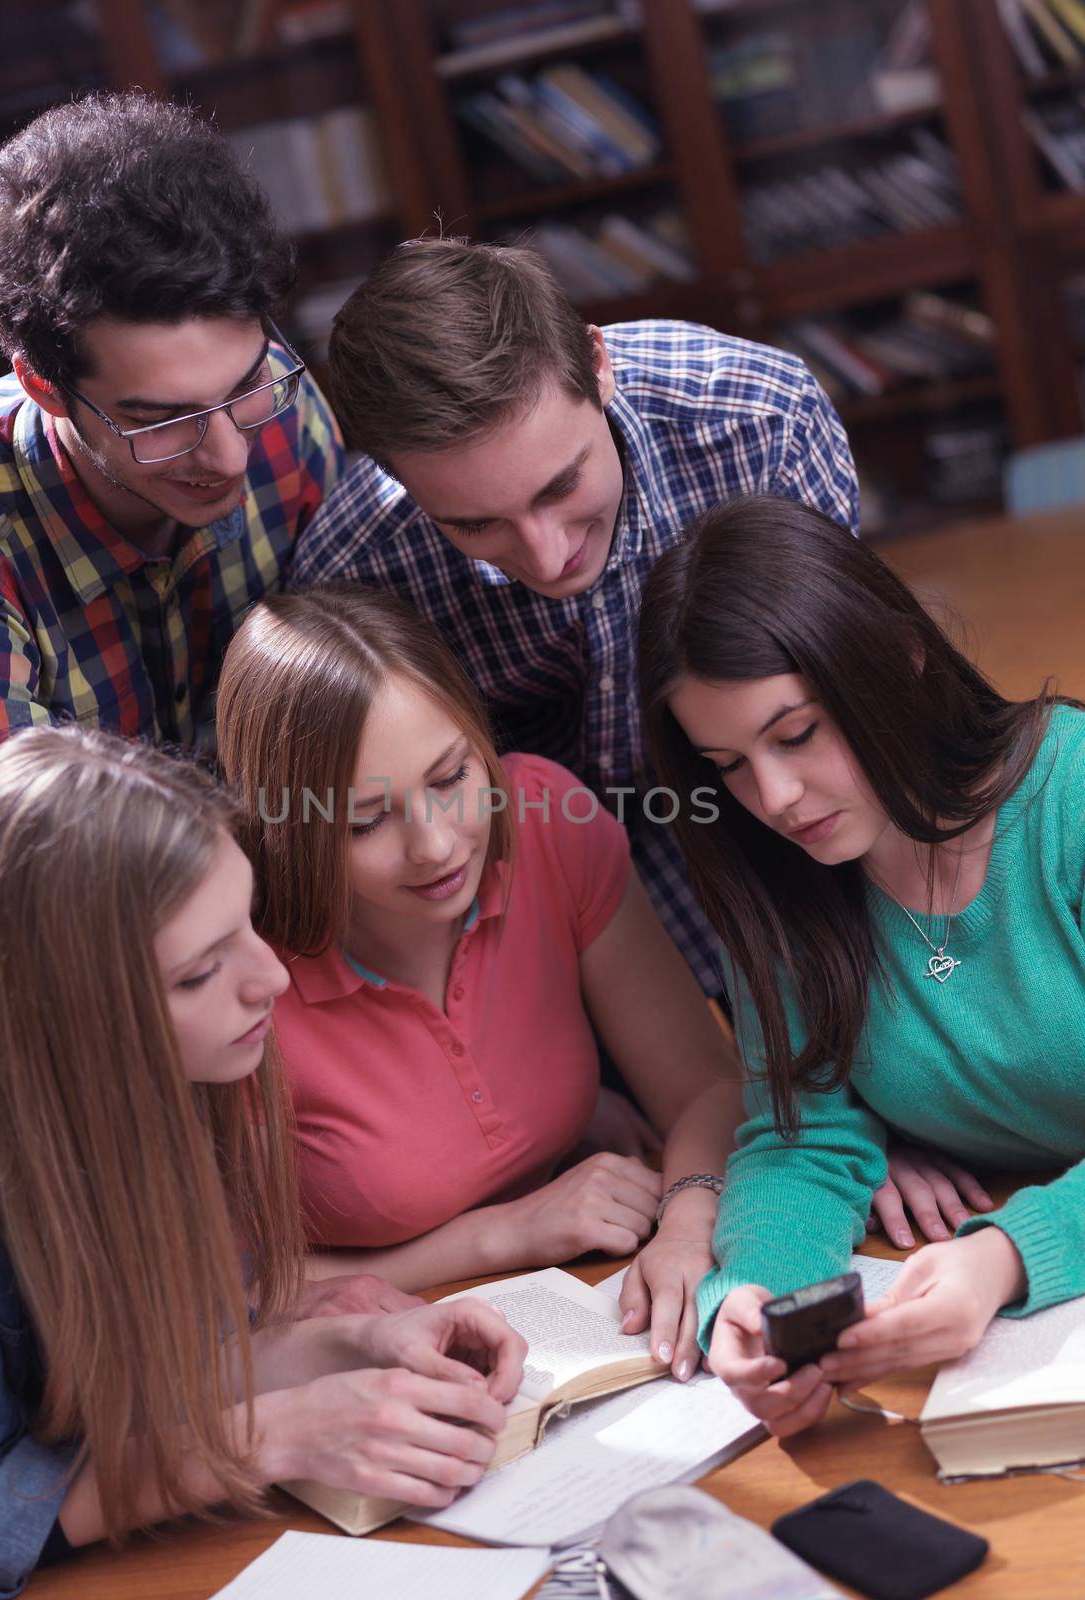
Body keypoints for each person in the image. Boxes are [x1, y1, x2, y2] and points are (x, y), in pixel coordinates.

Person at [0, 726, 526, 1599]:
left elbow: (168, 1368)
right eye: (197, 974)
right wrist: (281, 1432)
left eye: (247, 925)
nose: (273, 981)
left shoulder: (182, 1059)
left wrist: (353, 1342)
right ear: (68, 1019)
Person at [290, 236, 858, 1002]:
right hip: (519, 893)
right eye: (476, 525)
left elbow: (846, 691)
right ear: (392, 476)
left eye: (561, 486)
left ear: (597, 365)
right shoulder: (354, 572)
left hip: (772, 806)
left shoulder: (762, 419)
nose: (548, 555)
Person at [637, 492, 1085, 1438]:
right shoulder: (784, 885)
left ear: (900, 659)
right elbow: (802, 1137)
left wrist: (1006, 1255)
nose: (776, 797)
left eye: (796, 734)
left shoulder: (1069, 803)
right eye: (728, 764)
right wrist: (754, 1301)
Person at [216, 585, 746, 1381]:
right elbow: (223, 1299)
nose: (434, 846)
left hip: (591, 1312)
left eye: (450, 775)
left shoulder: (543, 820)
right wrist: (499, 1234)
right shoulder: (241, 971)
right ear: (283, 829)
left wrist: (688, 1215)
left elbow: (706, 1085)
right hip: (380, 1369)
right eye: (365, 821)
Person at [0, 90, 343, 935]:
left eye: (243, 387)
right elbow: (25, 920)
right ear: (44, 387)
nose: (231, 455)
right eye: (160, 420)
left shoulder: (286, 411)